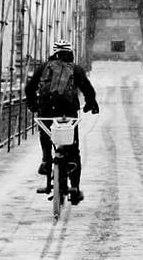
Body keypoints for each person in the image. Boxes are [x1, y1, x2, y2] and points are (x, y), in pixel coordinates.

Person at [24, 39, 98, 204]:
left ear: (54, 52)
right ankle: (75, 186)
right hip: (68, 112)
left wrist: (33, 105)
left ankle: (46, 160)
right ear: (70, 52)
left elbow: (29, 88)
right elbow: (88, 89)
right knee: (73, 148)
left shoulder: (43, 68)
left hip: (46, 110)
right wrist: (90, 104)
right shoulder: (75, 69)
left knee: (46, 133)